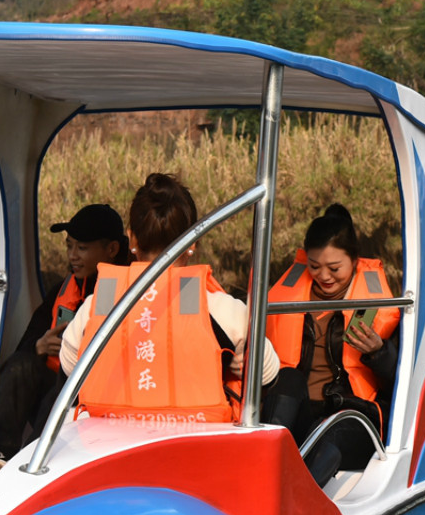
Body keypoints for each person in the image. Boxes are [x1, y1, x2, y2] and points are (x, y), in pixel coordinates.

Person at [59, 173, 278, 423]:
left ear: (131, 238)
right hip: (197, 450)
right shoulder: (223, 310)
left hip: (109, 451)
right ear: (193, 241)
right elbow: (268, 374)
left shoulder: (98, 306)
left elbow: (68, 369)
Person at [263, 204, 401, 486]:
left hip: (351, 417)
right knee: (287, 378)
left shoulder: (383, 307)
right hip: (296, 416)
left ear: (355, 260)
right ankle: (262, 473)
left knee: (330, 436)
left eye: (334, 268)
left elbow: (405, 383)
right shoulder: (284, 299)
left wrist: (379, 352)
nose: (324, 276)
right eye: (314, 266)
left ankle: (295, 502)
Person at [0, 204, 128, 472]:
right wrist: (39, 347)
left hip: (92, 401)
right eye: (69, 246)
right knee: (19, 366)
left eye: (82, 248)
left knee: (62, 389)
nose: (72, 256)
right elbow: (25, 344)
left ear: (111, 250)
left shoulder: (130, 289)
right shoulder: (61, 290)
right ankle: (0, 455)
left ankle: (31, 463)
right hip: (53, 393)